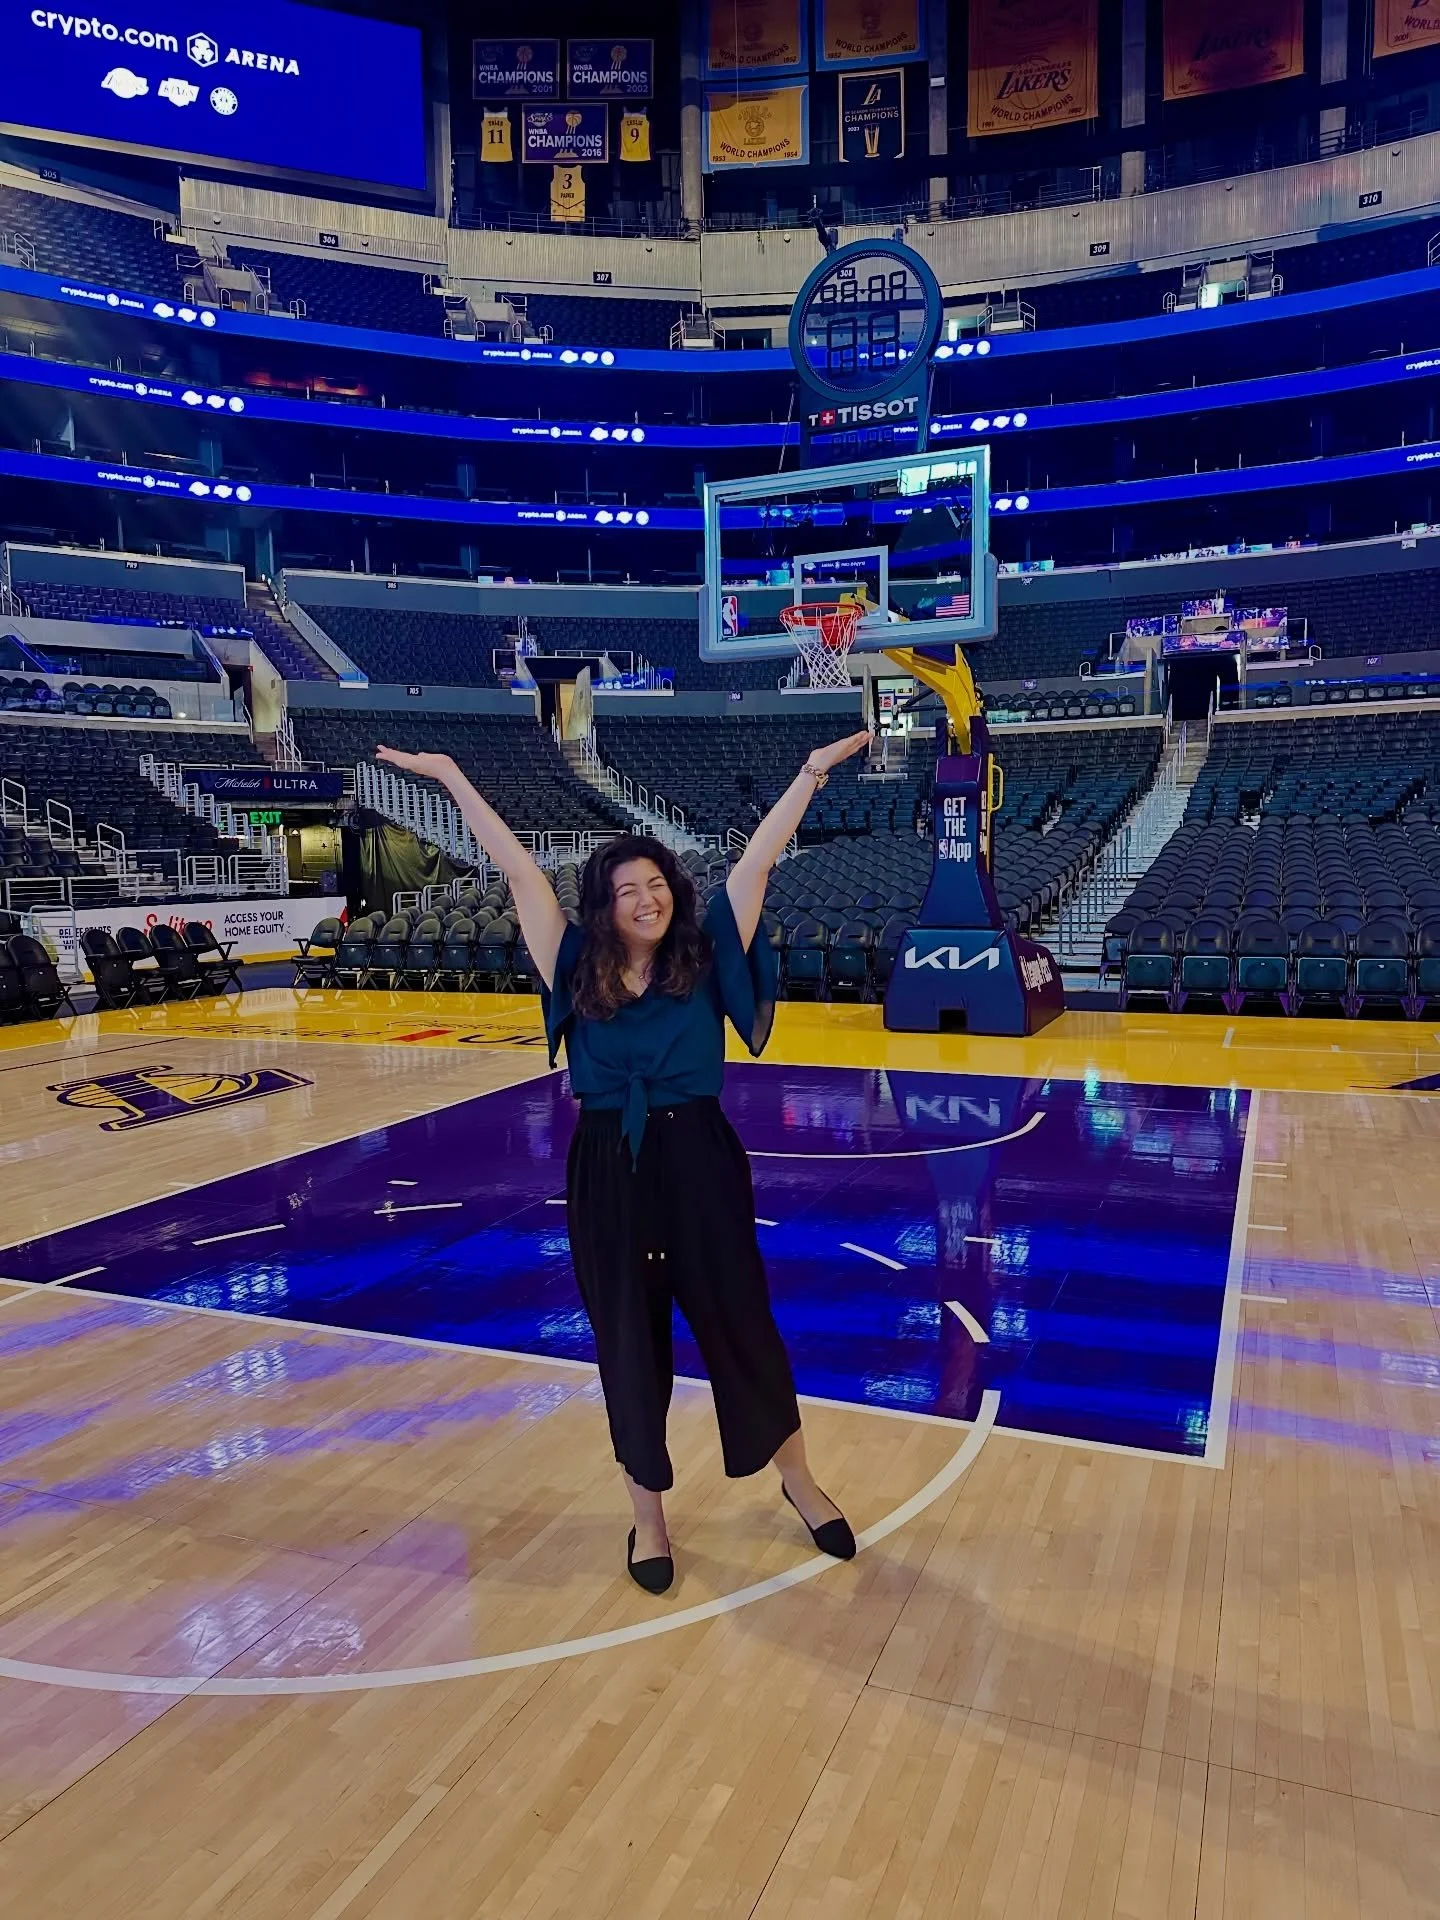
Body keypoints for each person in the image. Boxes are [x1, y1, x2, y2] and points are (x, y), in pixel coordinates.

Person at [376, 728, 873, 1595]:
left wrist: (808, 775)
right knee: (628, 1345)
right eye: (627, 890)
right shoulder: (572, 962)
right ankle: (649, 1518)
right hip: (609, 1165)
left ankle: (800, 1481)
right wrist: (453, 778)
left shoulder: (706, 952)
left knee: (743, 1327)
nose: (647, 900)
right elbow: (520, 873)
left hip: (700, 1157)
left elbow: (755, 865)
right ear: (603, 906)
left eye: (657, 884)